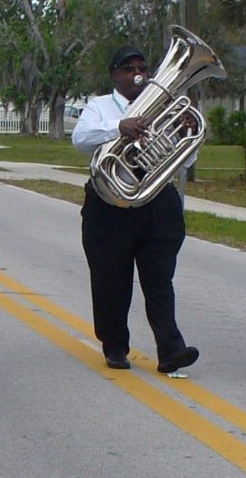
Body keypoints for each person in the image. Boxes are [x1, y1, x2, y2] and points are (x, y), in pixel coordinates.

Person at [71, 45, 200, 375]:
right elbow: (80, 139)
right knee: (111, 280)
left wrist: (186, 131)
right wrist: (119, 127)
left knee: (159, 280)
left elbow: (186, 159)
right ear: (115, 75)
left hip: (157, 202)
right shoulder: (100, 106)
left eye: (142, 67)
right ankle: (115, 346)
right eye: (128, 68)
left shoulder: (166, 108)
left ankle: (171, 350)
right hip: (110, 204)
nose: (137, 73)